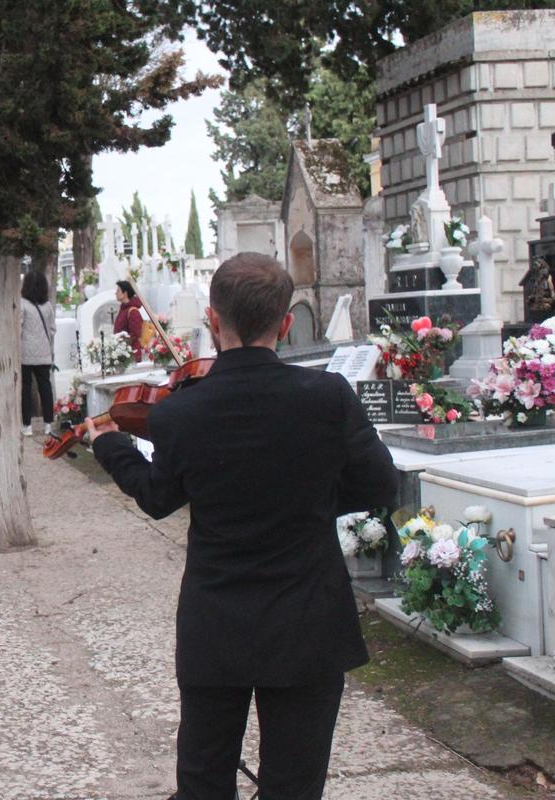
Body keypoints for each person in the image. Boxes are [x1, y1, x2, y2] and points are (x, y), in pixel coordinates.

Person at [85, 253, 398, 800]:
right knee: (294, 785)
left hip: (217, 621)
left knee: (204, 782)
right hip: (308, 618)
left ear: (212, 320)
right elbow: (379, 488)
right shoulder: (327, 397)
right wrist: (316, 501)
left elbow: (159, 499)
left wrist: (110, 446)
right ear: (285, 323)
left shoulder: (182, 412)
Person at [20, 270, 56, 437]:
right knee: (45, 389)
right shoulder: (47, 306)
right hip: (44, 354)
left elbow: (18, 328)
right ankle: (48, 424)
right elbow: (52, 329)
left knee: (25, 390)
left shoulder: (21, 304)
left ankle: (27, 425)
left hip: (25, 354)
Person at [114, 280, 145, 360]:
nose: (115, 293)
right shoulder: (123, 309)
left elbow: (135, 334)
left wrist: (122, 344)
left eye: (118, 290)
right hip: (123, 352)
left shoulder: (133, 311)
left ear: (125, 293)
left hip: (131, 355)